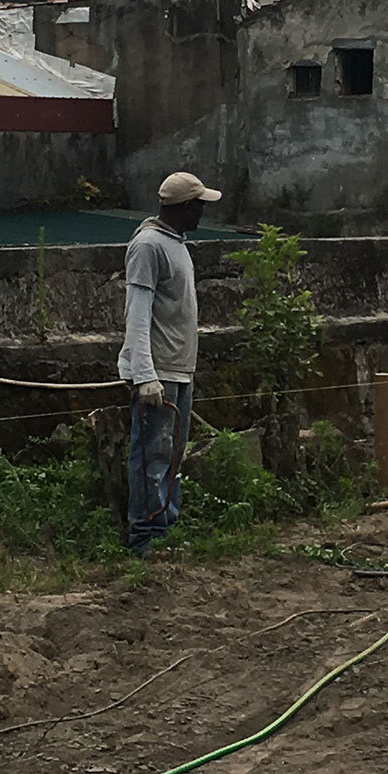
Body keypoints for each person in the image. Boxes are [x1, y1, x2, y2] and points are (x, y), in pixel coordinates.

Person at [121, 168, 222, 552]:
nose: (202, 213)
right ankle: (145, 536)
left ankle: (165, 527)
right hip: (159, 371)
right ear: (185, 207)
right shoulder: (149, 246)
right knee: (152, 456)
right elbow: (138, 313)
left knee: (172, 455)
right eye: (199, 206)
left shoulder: (175, 243)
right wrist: (144, 374)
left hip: (179, 368)